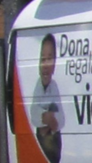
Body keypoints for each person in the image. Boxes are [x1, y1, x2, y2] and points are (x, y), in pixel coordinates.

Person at [33, 33, 64, 163]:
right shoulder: (38, 86)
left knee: (54, 107)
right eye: (43, 59)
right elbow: (34, 112)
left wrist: (53, 120)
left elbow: (61, 118)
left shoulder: (54, 87)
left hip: (53, 141)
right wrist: (46, 117)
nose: (45, 65)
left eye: (49, 59)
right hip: (43, 140)